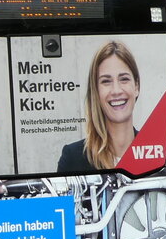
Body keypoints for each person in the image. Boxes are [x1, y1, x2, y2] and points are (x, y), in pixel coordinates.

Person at [58, 40, 141, 172]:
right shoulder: (73, 158)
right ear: (95, 91)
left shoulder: (159, 151)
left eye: (124, 79)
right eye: (106, 81)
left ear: (136, 86)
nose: (116, 90)